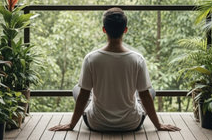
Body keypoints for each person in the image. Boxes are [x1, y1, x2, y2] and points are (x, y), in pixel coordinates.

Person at [49, 7, 180, 132]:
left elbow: (83, 95)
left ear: (104, 30)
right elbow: (145, 96)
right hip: (131, 123)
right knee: (149, 90)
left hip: (97, 123)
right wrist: (158, 125)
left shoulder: (91, 58)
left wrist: (71, 125)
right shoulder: (137, 59)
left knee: (78, 89)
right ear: (126, 30)